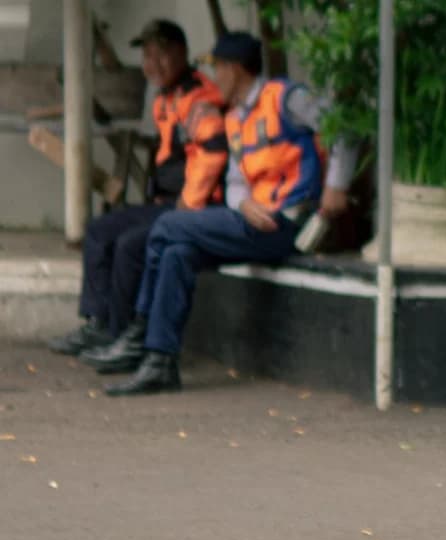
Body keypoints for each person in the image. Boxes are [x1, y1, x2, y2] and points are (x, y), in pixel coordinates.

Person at [84, 31, 359, 395]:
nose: (214, 79)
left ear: (234, 70)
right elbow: (236, 183)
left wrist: (336, 188)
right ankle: (159, 361)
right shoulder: (235, 118)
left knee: (167, 225)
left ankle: (138, 331)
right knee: (177, 254)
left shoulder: (285, 97)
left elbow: (345, 130)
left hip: (289, 221)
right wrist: (242, 203)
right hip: (253, 220)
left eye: (217, 70)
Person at [48, 19, 226, 359]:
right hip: (166, 202)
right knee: (99, 232)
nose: (152, 64)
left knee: (130, 245)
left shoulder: (200, 97)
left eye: (161, 54)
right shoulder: (164, 99)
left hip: (194, 207)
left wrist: (188, 205)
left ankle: (121, 337)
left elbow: (212, 154)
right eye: (147, 55)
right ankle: (99, 324)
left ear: (182, 53)